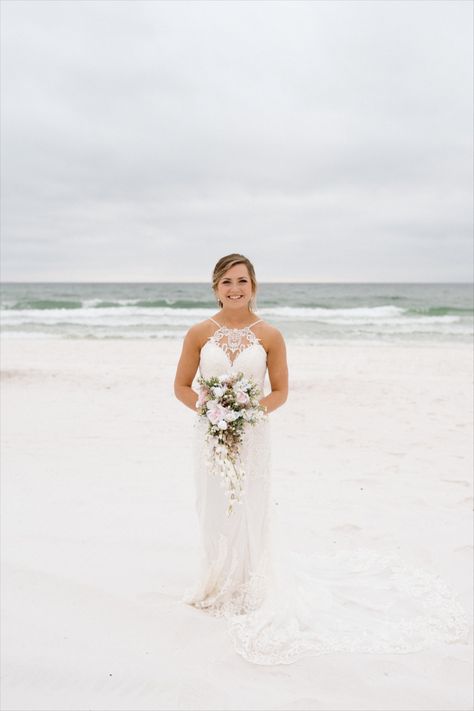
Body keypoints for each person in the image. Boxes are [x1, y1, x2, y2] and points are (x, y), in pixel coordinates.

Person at [174, 253, 469, 666]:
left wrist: (245, 414)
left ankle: (249, 584)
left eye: (241, 280)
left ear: (254, 287)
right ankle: (215, 580)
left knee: (249, 503)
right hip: (210, 434)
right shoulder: (198, 333)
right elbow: (182, 387)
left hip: (253, 434)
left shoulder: (271, 336)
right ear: (214, 288)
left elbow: (279, 392)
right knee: (211, 504)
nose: (234, 288)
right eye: (226, 282)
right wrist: (212, 412)